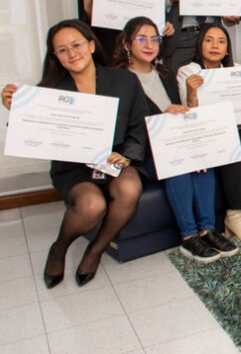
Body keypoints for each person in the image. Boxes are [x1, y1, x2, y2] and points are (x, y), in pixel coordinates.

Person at [2, 20, 147, 288]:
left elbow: (139, 126)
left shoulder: (125, 80)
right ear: (55, 56)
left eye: (77, 45)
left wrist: (126, 156)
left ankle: (95, 250)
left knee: (129, 188)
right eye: (62, 50)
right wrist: (17, 111)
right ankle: (59, 249)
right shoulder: (49, 90)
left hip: (113, 159)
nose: (72, 53)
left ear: (91, 45)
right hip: (73, 166)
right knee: (93, 205)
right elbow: (32, 136)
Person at [113, 17, 238, 261]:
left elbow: (183, 114)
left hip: (174, 141)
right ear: (127, 44)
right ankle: (189, 237)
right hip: (144, 150)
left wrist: (193, 143)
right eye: (141, 39)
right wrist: (162, 116)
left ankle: (208, 230)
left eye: (154, 39)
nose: (149, 45)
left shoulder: (166, 73)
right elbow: (124, 126)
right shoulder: (118, 79)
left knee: (203, 160)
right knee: (178, 165)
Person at [177, 23, 241, 241]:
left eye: (221, 41)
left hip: (237, 128)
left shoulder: (236, 69)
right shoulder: (188, 71)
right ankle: (234, 215)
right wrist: (192, 92)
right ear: (200, 44)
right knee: (235, 143)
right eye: (209, 40)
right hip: (206, 134)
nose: (215, 45)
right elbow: (189, 116)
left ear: (227, 48)